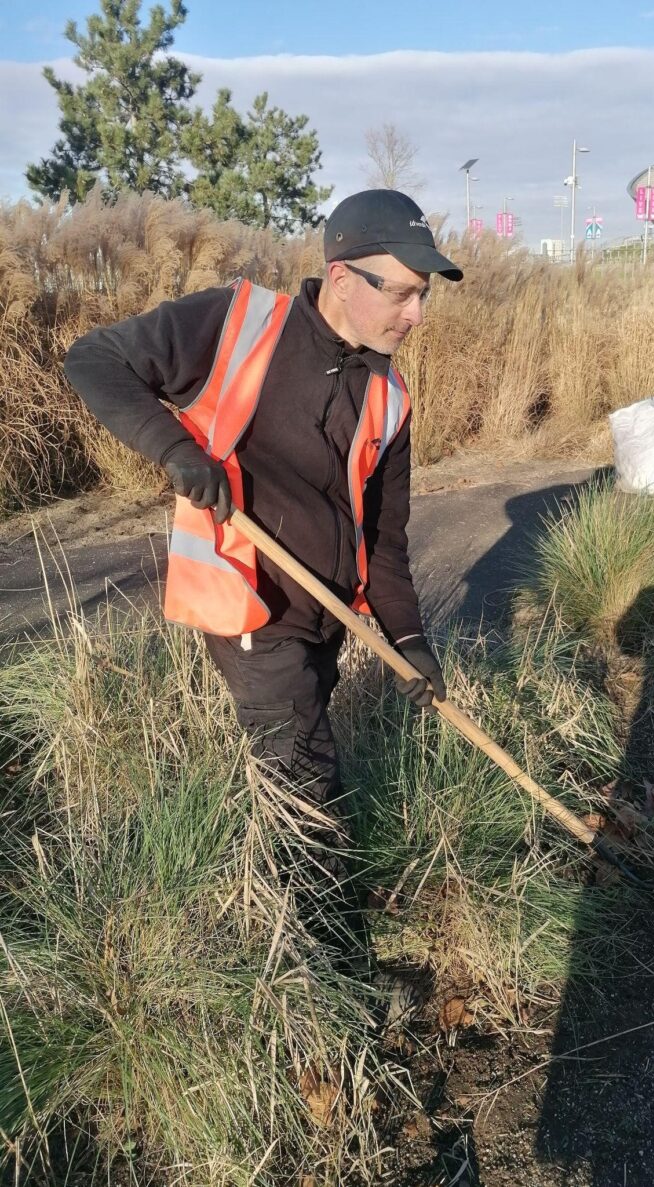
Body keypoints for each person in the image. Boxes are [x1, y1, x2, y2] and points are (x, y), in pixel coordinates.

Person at [63, 189, 463, 953]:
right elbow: (96, 360)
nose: (417, 315)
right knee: (304, 774)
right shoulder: (239, 324)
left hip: (326, 614)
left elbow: (383, 536)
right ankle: (326, 956)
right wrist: (181, 453)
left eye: (424, 295)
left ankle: (284, 905)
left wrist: (408, 637)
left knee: (300, 750)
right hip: (251, 605)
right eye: (405, 292)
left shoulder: (389, 393)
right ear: (343, 277)